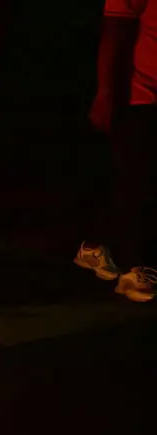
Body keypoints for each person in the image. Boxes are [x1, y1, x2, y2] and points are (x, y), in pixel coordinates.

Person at [76, 0, 156, 302]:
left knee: (135, 182)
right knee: (139, 182)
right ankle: (136, 267)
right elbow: (115, 30)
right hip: (144, 94)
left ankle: (97, 245)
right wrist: (105, 93)